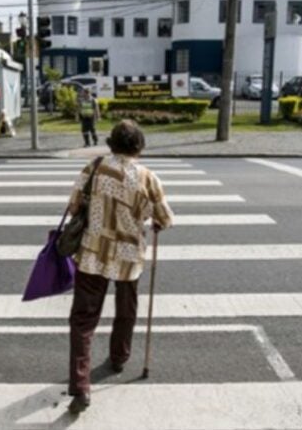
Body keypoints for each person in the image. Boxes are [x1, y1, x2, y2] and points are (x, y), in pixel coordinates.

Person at [66, 120, 174, 414]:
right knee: (126, 310)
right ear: (139, 147)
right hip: (129, 257)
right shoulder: (148, 177)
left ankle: (80, 386)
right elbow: (165, 218)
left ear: (111, 143)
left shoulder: (94, 167)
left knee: (83, 320)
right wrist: (150, 220)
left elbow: (74, 205)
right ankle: (119, 357)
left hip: (92, 253)